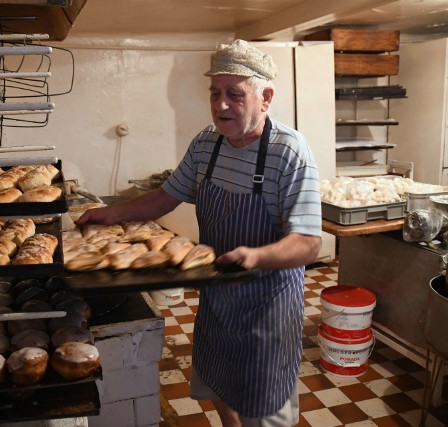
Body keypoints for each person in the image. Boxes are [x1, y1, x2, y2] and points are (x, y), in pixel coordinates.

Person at [77, 39, 322, 426]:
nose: (221, 105)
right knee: (217, 386)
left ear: (266, 97)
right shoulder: (207, 144)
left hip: (266, 307)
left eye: (234, 95)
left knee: (264, 405)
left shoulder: (289, 151)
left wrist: (255, 257)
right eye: (215, 93)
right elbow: (164, 198)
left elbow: (309, 243)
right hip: (218, 297)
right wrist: (110, 214)